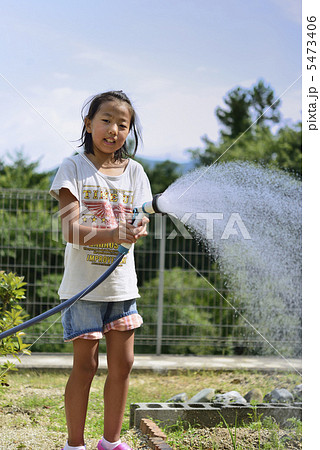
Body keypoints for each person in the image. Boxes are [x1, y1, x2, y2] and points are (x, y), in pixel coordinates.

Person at [50, 91, 152, 450]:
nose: (113, 130)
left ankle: (111, 442)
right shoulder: (73, 168)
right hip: (83, 289)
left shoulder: (136, 172)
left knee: (123, 365)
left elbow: (141, 219)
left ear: (129, 132)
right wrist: (114, 233)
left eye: (122, 125)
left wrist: (138, 228)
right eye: (106, 120)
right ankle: (74, 444)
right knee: (86, 366)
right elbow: (70, 229)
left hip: (122, 288)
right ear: (88, 123)